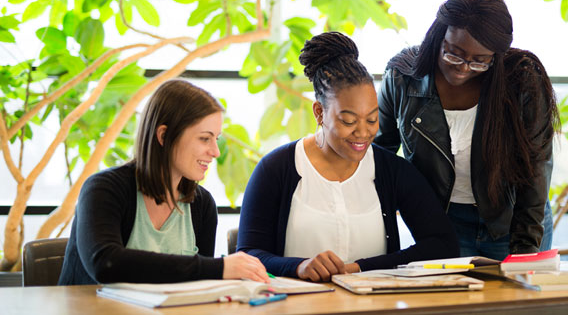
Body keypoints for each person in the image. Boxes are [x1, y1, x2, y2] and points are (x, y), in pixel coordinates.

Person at [237, 32, 459, 282]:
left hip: (373, 306)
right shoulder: (276, 168)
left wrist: (360, 267)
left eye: (372, 119)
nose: (363, 133)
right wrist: (299, 267)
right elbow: (247, 254)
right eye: (349, 121)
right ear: (320, 113)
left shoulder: (391, 170)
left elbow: (443, 245)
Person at [375, 0, 559, 260]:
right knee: (453, 303)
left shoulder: (522, 81)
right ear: (439, 36)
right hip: (444, 225)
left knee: (515, 302)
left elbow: (536, 169)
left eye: (479, 61)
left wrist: (524, 253)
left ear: (495, 56)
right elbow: (380, 154)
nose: (462, 68)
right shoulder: (402, 77)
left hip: (515, 223)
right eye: (453, 53)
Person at [59, 79, 269, 285]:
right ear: (164, 135)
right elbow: (105, 264)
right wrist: (219, 268)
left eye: (216, 138)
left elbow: (198, 287)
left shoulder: (202, 205)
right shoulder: (104, 189)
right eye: (205, 138)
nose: (215, 151)